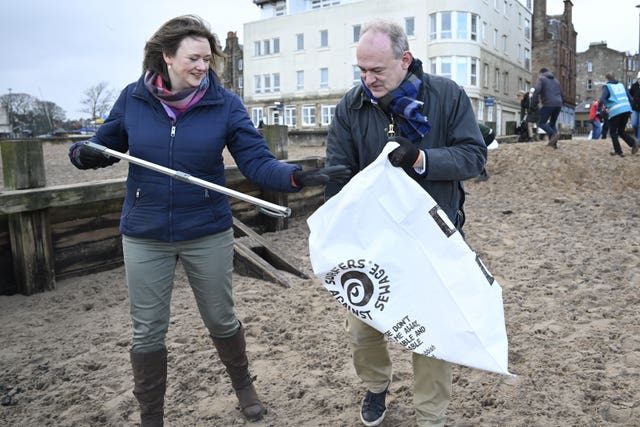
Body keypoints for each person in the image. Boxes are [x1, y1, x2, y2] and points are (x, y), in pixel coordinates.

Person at [68, 15, 349, 426]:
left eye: (208, 59)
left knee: (220, 317)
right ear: (166, 57)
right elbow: (98, 147)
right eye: (194, 58)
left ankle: (243, 386)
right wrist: (83, 154)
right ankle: (151, 416)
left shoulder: (225, 104)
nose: (203, 67)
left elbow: (256, 161)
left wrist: (295, 176)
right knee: (147, 331)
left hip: (206, 230)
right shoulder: (132, 98)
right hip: (145, 234)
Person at [325, 20, 486, 427]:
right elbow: (338, 172)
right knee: (363, 330)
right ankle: (376, 386)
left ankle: (430, 416)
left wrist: (422, 160)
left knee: (432, 336)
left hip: (433, 237)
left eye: (377, 70)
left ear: (405, 60)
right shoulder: (352, 106)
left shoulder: (447, 96)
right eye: (361, 70)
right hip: (370, 241)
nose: (368, 79)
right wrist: (334, 218)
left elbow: (474, 157)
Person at [598, 73, 639, 157]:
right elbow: (630, 98)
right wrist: (630, 108)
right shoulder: (621, 85)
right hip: (626, 109)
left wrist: (603, 108)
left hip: (616, 110)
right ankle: (633, 143)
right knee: (621, 130)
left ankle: (618, 151)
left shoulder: (607, 86)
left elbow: (602, 99)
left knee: (613, 131)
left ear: (607, 80)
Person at [531, 67, 563, 148]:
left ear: (541, 73)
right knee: (552, 124)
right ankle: (553, 144)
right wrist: (561, 103)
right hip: (558, 104)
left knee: (541, 122)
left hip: (548, 103)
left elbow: (537, 90)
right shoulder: (556, 81)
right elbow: (562, 94)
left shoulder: (541, 79)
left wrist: (534, 103)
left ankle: (553, 134)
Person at [628, 71, 640, 140]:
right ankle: (636, 136)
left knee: (639, 126)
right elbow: (630, 95)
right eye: (639, 79)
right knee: (634, 124)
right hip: (634, 108)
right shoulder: (634, 86)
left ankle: (638, 141)